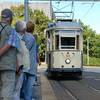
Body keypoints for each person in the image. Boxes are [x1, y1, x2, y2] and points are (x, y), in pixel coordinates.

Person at [0, 9, 20, 100]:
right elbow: (8, 46)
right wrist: (17, 66)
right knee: (7, 92)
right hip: (7, 67)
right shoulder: (12, 31)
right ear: (10, 19)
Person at [14, 20, 30, 100]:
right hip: (18, 68)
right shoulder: (17, 38)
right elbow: (16, 53)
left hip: (19, 67)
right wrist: (18, 67)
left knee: (16, 89)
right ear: (23, 29)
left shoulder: (17, 37)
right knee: (16, 89)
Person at [21, 21, 36, 100]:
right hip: (30, 65)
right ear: (33, 29)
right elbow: (26, 49)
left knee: (24, 83)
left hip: (24, 64)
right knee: (30, 84)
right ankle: (28, 98)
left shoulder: (23, 36)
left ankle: (25, 97)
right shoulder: (31, 38)